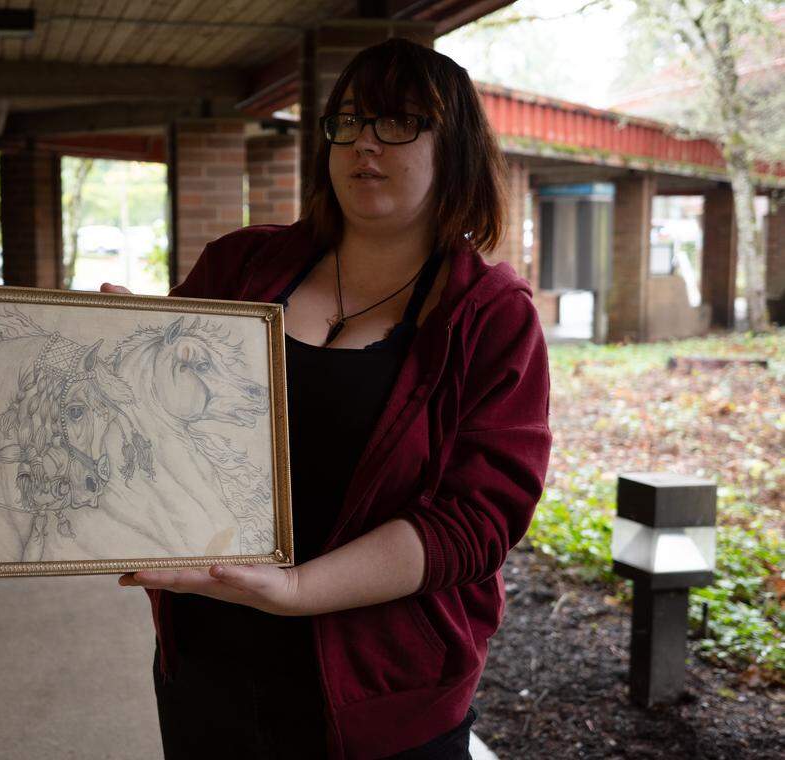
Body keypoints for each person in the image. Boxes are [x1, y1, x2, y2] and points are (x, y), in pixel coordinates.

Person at [102, 37, 552, 760]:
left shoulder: (490, 315)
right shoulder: (241, 265)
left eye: (397, 121)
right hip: (209, 663)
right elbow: (156, 430)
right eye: (348, 121)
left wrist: (297, 589)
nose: (364, 142)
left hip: (384, 695)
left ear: (456, 149)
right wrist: (119, 362)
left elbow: (479, 519)